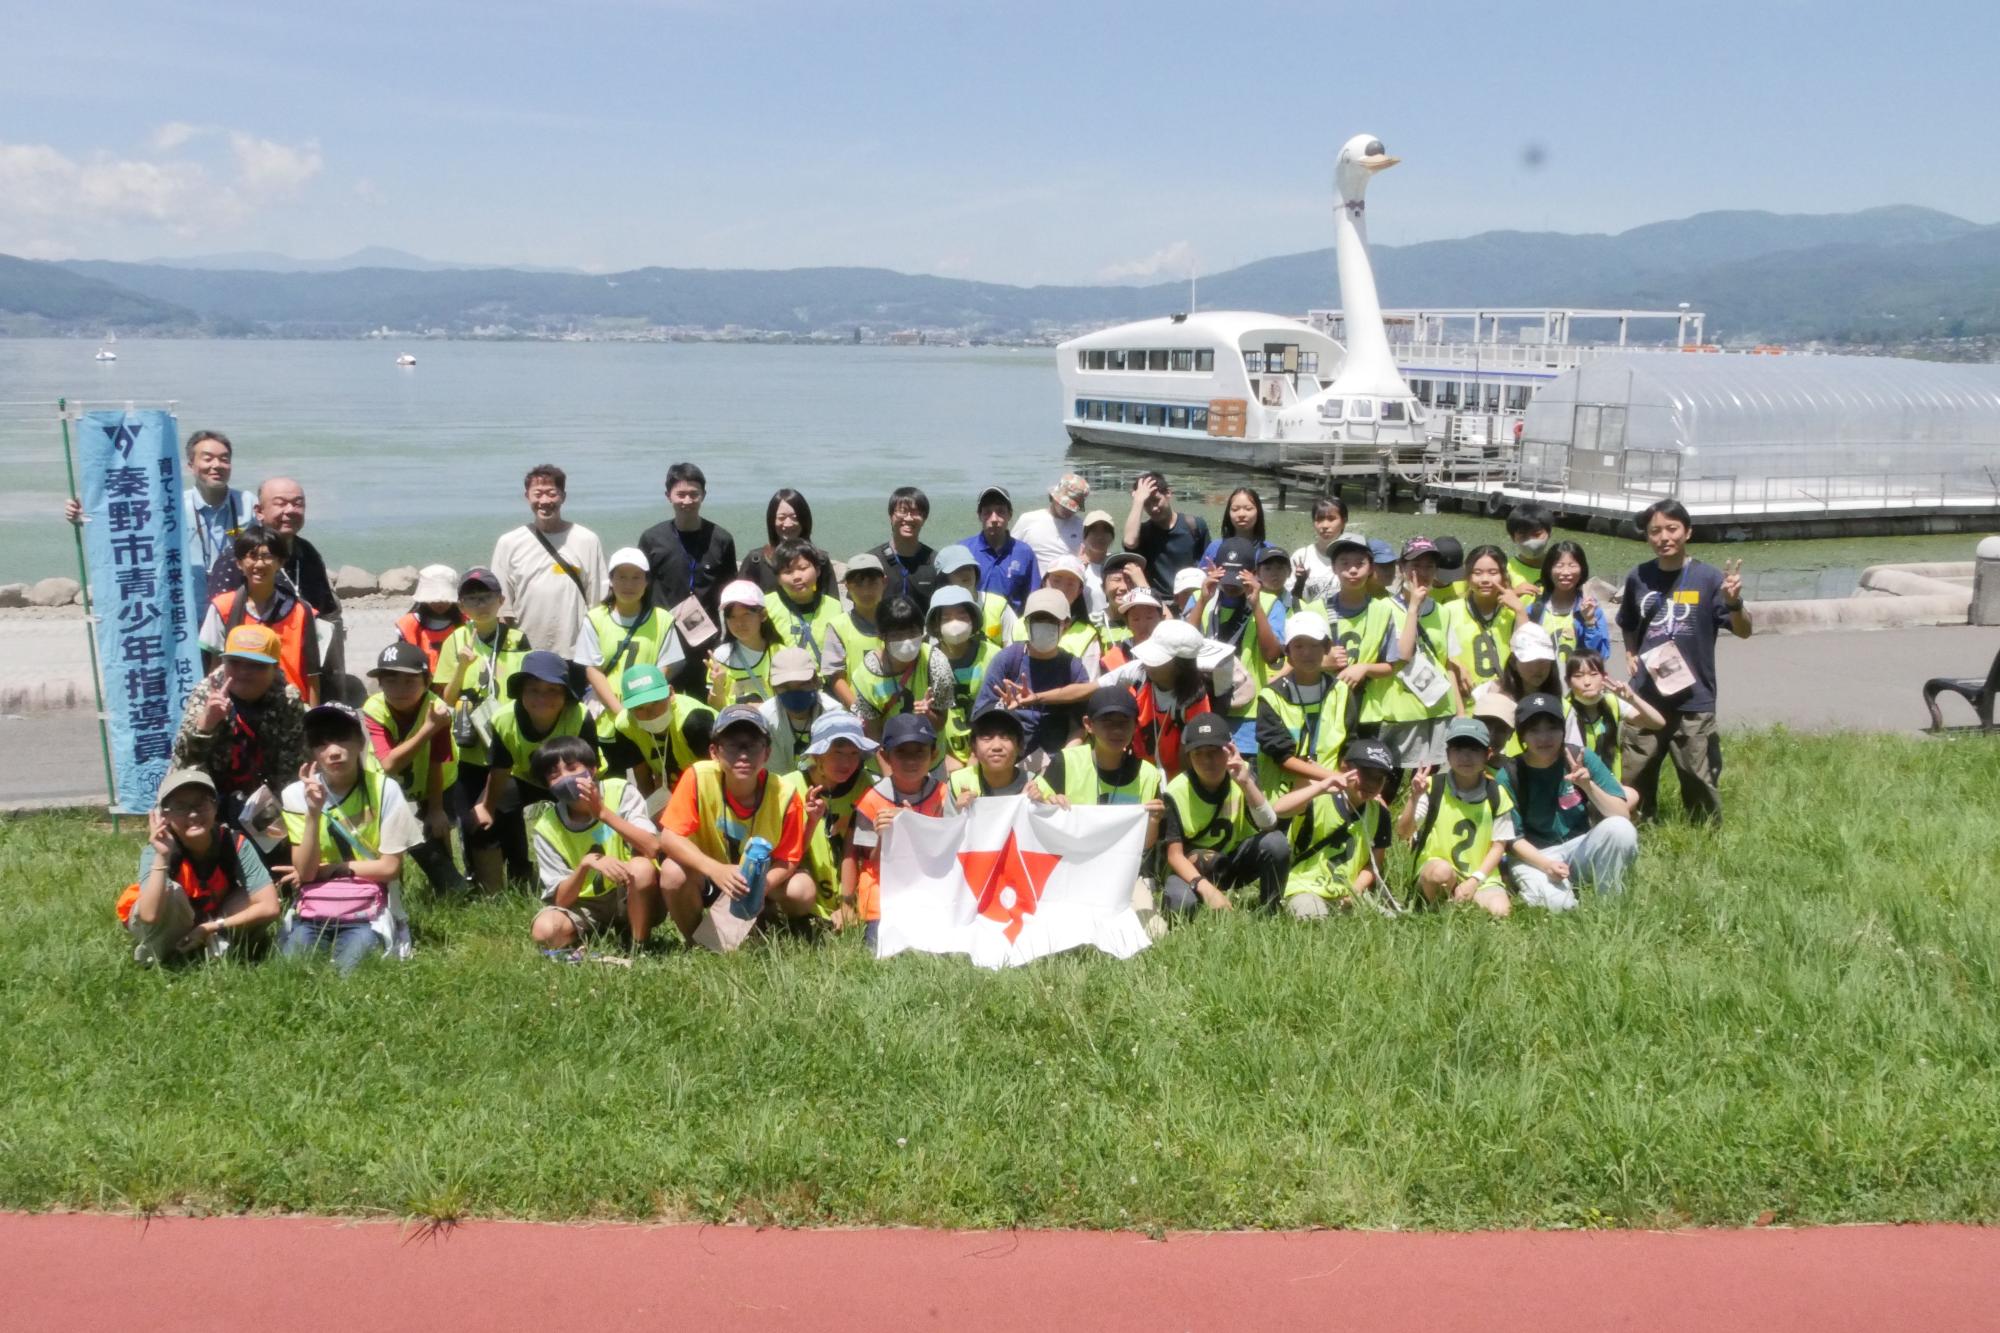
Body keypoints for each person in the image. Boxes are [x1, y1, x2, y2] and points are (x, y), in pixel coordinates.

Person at [1617, 500, 1750, 824]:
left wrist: (1734, 603)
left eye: (1672, 529)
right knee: (1636, 771)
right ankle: (1635, 829)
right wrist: (1630, 651)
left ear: (1687, 531)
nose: (1664, 537)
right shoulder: (1639, 576)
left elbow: (1744, 630)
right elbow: (1628, 622)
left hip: (1695, 697)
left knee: (1697, 774)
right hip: (1645, 696)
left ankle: (1704, 836)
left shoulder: (1708, 578)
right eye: (1655, 531)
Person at [656, 704, 818, 944]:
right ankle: (697, 941)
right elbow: (669, 837)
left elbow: (788, 859)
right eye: (732, 745)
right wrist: (715, 870)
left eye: (753, 746)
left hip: (758, 881)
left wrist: (760, 887)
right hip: (710, 875)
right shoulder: (697, 777)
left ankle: (774, 919)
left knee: (802, 889)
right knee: (671, 873)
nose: (743, 755)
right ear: (714, 751)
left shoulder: (785, 794)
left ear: (767, 753)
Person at [281, 703, 419, 973]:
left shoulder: (385, 789)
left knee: (351, 973)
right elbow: (307, 873)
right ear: (312, 752)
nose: (334, 752)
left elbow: (390, 868)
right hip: (314, 908)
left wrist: (332, 869)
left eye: (342, 738)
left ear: (359, 742)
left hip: (368, 908)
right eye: (321, 743)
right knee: (291, 969)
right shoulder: (296, 794)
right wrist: (313, 812)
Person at [69, 428, 252, 611]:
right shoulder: (171, 507)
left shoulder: (248, 503)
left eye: (224, 459)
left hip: (237, 607)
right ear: (190, 465)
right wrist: (83, 515)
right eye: (207, 458)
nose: (217, 464)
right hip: (187, 611)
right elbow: (127, 528)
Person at [433, 567, 532, 888]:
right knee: (471, 818)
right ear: (461, 606)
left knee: (509, 815)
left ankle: (520, 879)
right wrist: (462, 666)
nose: (481, 604)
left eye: (487, 596)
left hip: (506, 742)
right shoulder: (455, 640)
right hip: (469, 744)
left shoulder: (517, 638)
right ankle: (478, 880)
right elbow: (446, 697)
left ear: (501, 600)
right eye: (472, 599)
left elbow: (526, 687)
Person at [121, 768, 280, 966]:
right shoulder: (156, 851)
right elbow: (149, 915)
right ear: (165, 815)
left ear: (215, 807)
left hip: (211, 918)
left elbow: (270, 907)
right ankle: (164, 954)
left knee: (253, 894)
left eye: (201, 804)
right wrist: (163, 856)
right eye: (181, 807)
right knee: (170, 892)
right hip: (170, 921)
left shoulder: (234, 842)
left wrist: (212, 926)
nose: (194, 813)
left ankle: (212, 944)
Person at [1499, 692, 1639, 912]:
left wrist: (1587, 785)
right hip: (1536, 854)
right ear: (1522, 736)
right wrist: (1546, 865)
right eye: (1534, 730)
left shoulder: (1581, 757)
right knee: (1560, 907)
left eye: (1552, 728)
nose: (1544, 738)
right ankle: (1556, 893)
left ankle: (1610, 904)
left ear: (1563, 730)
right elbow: (1512, 840)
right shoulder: (1509, 774)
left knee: (1621, 829)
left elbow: (1622, 814)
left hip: (1579, 846)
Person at [528, 734, 668, 951]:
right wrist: (586, 864)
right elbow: (561, 900)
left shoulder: (620, 790)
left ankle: (638, 944)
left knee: (641, 867)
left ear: (592, 770)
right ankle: (589, 932)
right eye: (554, 774)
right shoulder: (546, 828)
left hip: (632, 891)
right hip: (585, 904)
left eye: (572, 768)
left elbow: (652, 846)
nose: (565, 778)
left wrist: (602, 813)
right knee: (545, 930)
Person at [172, 623, 308, 842]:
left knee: (279, 841)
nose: (244, 672)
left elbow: (290, 766)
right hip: (210, 791)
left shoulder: (287, 699)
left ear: (274, 668)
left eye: (256, 665)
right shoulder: (208, 692)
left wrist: (285, 814)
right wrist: (205, 725)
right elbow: (185, 758)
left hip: (260, 795)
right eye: (235, 663)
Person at [845, 713, 961, 946]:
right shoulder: (872, 799)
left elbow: (950, 850)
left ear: (934, 755)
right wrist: (885, 837)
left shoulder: (944, 793)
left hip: (930, 884)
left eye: (919, 752)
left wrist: (913, 823)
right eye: (902, 752)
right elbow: (870, 860)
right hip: (884, 888)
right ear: (886, 757)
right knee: (882, 944)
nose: (911, 761)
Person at [359, 640, 466, 893]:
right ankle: (391, 891)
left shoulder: (438, 709)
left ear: (427, 681)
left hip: (434, 780)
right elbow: (388, 763)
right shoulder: (374, 708)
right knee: (388, 839)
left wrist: (436, 809)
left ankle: (450, 889)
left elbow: (436, 761)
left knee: (436, 831)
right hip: (387, 784)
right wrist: (428, 729)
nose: (400, 689)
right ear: (380, 683)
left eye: (410, 681)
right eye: (391, 681)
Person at [474, 650, 596, 866]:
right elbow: (500, 770)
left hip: (572, 780)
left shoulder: (580, 716)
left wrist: (592, 807)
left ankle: (585, 862)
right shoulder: (503, 719)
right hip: (525, 778)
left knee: (590, 817)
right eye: (534, 690)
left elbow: (591, 770)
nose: (542, 698)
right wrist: (487, 807)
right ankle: (506, 878)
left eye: (552, 690)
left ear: (566, 694)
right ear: (521, 692)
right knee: (480, 818)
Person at [1159, 714, 1288, 914]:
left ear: (1230, 749)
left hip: (1232, 861)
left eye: (1214, 751)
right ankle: (1202, 900)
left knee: (1276, 842)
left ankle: (1270, 910)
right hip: (1192, 868)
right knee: (1180, 903)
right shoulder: (1175, 791)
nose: (1207, 760)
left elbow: (1269, 825)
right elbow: (1174, 856)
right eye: (1198, 753)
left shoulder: (1242, 773)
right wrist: (1207, 889)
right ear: (1189, 756)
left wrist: (1246, 783)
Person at [1398, 716, 1517, 918]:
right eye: (1458, 749)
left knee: (1501, 911)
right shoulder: (1431, 786)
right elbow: (1403, 832)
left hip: (1480, 874)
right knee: (1440, 874)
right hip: (1436, 868)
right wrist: (1414, 798)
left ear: (1487, 754)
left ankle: (1460, 900)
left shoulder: (1497, 794)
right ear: (1447, 754)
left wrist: (1475, 880)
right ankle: (1439, 913)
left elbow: (1499, 845)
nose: (1465, 757)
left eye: (1474, 750)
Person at [490, 464, 608, 667]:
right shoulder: (509, 542)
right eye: (538, 494)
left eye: (551, 494)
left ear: (563, 496)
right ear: (527, 496)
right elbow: (502, 608)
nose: (544, 501)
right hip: (525, 652)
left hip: (575, 652)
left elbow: (597, 602)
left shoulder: (587, 540)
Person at [1359, 538, 1458, 771]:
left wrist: (1460, 714)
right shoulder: (1381, 609)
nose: (1422, 573)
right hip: (1397, 713)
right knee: (1388, 784)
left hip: (1438, 709)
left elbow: (1448, 666)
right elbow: (1403, 655)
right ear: (1401, 568)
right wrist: (1413, 607)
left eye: (1429, 567)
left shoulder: (1443, 612)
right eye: (1415, 566)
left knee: (1432, 782)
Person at [637, 462, 738, 692]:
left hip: (705, 641)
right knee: (662, 701)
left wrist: (732, 642)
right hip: (662, 637)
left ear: (704, 495)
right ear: (668, 496)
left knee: (703, 707)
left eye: (694, 494)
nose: (687, 501)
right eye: (680, 494)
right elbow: (639, 590)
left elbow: (730, 596)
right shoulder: (652, 539)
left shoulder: (721, 539)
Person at [1271, 737, 1396, 919]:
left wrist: (1355, 891)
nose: (1371, 783)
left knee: (1389, 921)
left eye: (1379, 779)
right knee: (1314, 918)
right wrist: (1321, 786)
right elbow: (1279, 810)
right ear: (1345, 768)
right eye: (1365, 774)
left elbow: (1373, 864)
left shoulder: (1380, 814)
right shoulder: (1318, 799)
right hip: (1305, 887)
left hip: (1347, 893)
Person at [199, 523, 321, 704]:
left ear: (280, 562)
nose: (259, 563)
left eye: (267, 556)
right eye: (252, 556)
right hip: (238, 711)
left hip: (290, 708)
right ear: (239, 563)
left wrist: (313, 721)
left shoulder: (301, 611)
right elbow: (215, 669)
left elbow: (312, 675)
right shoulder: (222, 608)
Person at [975, 587, 1091, 762]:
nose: (1044, 626)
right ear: (1026, 623)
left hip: (1056, 759)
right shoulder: (1007, 659)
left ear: (1066, 625)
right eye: (1037, 620)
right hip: (1007, 760)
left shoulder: (1073, 668)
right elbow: (981, 716)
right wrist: (1000, 710)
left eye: (1051, 620)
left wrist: (1062, 762)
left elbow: (1079, 726)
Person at [1191, 537, 1284, 754]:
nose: (1232, 586)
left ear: (1253, 573)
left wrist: (1256, 605)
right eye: (1226, 577)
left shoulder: (1269, 603)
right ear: (1214, 569)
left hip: (1247, 712)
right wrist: (1203, 601)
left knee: (1245, 776)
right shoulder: (1200, 598)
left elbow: (1272, 656)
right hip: (1203, 705)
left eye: (1239, 579)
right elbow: (1182, 644)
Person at [1041, 686, 1167, 845]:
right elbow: (1035, 805)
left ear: (1136, 725)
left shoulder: (1148, 774)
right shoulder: (1066, 761)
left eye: (1124, 722)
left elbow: (1146, 844)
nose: (1116, 730)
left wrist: (1154, 821)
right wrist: (1046, 802)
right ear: (1088, 724)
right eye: (1107, 722)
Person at [204, 477, 340, 623]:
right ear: (259, 511)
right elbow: (218, 617)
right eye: (280, 503)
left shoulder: (307, 552)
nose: (290, 510)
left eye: (298, 504)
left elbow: (327, 611)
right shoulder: (238, 555)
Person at [1254, 611, 1353, 797]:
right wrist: (1331, 778)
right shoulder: (1270, 696)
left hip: (1329, 799)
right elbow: (1281, 756)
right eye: (1298, 646)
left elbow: (1349, 745)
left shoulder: (1342, 691)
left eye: (1314, 645)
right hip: (1283, 799)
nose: (1307, 653)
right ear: (1287, 651)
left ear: (1326, 647)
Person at [596, 662, 715, 811]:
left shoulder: (695, 721)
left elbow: (719, 774)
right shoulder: (625, 726)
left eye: (656, 703)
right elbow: (642, 778)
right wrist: (654, 808)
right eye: (639, 708)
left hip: (709, 791)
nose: (651, 713)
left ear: (670, 693)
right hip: (673, 794)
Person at [798, 710, 878, 925]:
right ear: (817, 756)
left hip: (851, 889)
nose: (847, 762)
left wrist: (847, 903)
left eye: (854, 753)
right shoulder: (789, 786)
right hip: (804, 885)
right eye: (838, 753)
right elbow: (786, 855)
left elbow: (857, 847)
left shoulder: (864, 784)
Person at [576, 547, 680, 711]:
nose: (628, 585)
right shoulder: (595, 619)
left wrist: (643, 703)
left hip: (647, 712)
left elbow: (664, 667)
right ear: (611, 580)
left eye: (636, 578)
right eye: (622, 577)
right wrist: (619, 711)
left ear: (647, 581)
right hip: (603, 716)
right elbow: (593, 670)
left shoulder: (663, 620)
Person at [848, 595, 955, 741]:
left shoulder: (936, 663)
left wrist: (928, 714)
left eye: (912, 633)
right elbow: (873, 733)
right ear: (881, 636)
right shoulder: (866, 674)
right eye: (897, 635)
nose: (907, 642)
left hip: (928, 756)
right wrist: (890, 763)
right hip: (887, 753)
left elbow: (940, 723)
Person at [1441, 544, 1524, 704]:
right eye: (1477, 573)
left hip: (1506, 704)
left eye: (1493, 573)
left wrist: (1520, 611)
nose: (1485, 579)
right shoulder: (1449, 611)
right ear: (1467, 576)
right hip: (1464, 705)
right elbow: (1436, 652)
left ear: (1504, 576)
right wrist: (1455, 663)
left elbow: (1527, 651)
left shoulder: (1513, 612)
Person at [926, 586, 998, 769]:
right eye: (946, 617)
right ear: (935, 624)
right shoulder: (925, 659)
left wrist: (978, 754)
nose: (955, 623)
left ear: (974, 620)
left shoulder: (993, 655)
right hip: (941, 755)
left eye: (962, 615)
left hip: (987, 750)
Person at [1563, 652, 1663, 782]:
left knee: (1633, 796)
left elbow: (1657, 723)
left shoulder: (1612, 701)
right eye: (1578, 676)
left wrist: (1633, 700)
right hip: (1574, 784)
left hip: (1610, 784)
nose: (1587, 682)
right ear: (1568, 681)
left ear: (1604, 677)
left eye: (1594, 674)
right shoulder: (1563, 707)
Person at [1526, 540, 1612, 677]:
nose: (1566, 572)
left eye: (1572, 566)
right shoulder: (1535, 610)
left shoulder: (1591, 609)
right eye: (1559, 566)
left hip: (1577, 687)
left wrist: (1589, 622)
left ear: (1582, 569)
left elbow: (1599, 657)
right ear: (1549, 570)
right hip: (1543, 686)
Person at [1123, 471, 1211, 598]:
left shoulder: (1195, 525)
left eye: (1156, 500)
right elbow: (1129, 542)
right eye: (1146, 504)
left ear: (1168, 493)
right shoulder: (1142, 533)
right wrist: (1138, 501)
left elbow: (1206, 564)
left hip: (1191, 599)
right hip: (1158, 601)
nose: (1153, 508)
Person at [756, 647, 841, 777]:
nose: (794, 693)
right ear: (773, 687)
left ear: (815, 681)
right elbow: (777, 775)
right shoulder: (766, 717)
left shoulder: (833, 713)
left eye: (802, 684)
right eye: (784, 687)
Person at [739, 489, 837, 595]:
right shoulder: (755, 561)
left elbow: (832, 602)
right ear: (772, 520)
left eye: (794, 518)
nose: (788, 524)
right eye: (781, 518)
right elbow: (739, 602)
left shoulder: (820, 560)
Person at [762, 538, 843, 666]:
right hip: (781, 681)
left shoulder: (834, 607)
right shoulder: (766, 605)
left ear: (817, 571)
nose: (797, 577)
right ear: (778, 578)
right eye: (787, 572)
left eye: (803, 568)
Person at [959, 485, 1041, 612]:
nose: (994, 519)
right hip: (974, 624)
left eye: (1000, 511)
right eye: (987, 512)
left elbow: (1034, 597)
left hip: (1012, 627)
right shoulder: (963, 550)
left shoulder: (1024, 553)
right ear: (979, 515)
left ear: (1010, 514)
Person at [823, 553, 888, 707]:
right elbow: (835, 676)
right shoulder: (838, 626)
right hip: (858, 713)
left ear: (884, 582)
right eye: (858, 584)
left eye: (872, 582)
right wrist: (858, 710)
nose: (866, 591)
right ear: (847, 586)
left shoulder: (899, 621)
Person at [945, 703, 1046, 801]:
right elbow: (949, 817)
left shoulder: (1036, 785)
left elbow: (1053, 814)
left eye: (1005, 737)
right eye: (987, 737)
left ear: (1019, 745)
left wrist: (1043, 806)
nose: (997, 746)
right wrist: (961, 814)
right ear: (973, 747)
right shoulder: (958, 783)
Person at [707, 579, 782, 707]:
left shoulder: (780, 653)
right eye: (732, 617)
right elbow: (716, 707)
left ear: (763, 615)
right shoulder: (720, 657)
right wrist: (718, 685)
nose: (739, 623)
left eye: (746, 614)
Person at [869, 486, 941, 610]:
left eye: (916, 512)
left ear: (924, 519)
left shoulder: (935, 562)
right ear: (891, 516)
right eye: (902, 511)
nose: (908, 518)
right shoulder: (872, 560)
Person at [935, 543, 1017, 646]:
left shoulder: (998, 605)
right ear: (944, 579)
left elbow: (1014, 647)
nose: (966, 573)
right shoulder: (937, 610)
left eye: (969, 567)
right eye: (958, 570)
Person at [1010, 473, 1091, 569]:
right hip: (1035, 583)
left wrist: (1086, 559)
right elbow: (1009, 552)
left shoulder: (1082, 527)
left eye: (1073, 508)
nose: (1068, 510)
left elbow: (1090, 556)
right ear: (1054, 497)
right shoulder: (1028, 520)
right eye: (1064, 505)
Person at [396, 565, 465, 674]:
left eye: (445, 599)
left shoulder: (465, 621)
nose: (439, 603)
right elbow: (403, 660)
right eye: (433, 599)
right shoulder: (410, 624)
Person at [1289, 495, 1351, 608]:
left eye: (1331, 519)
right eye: (1319, 519)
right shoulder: (1301, 556)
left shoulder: (1354, 557)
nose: (1325, 526)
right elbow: (1288, 596)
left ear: (1344, 521)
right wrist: (1300, 581)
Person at [1201, 486, 1268, 561]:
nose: (1241, 514)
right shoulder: (1216, 547)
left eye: (1248, 509)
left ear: (1258, 512)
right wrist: (1209, 573)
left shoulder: (1268, 551)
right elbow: (1199, 572)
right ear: (1228, 513)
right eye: (1235, 509)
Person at [1504, 503, 1556, 595]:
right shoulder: (1505, 571)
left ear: (1549, 533)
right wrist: (1513, 594)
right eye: (1523, 535)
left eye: (1537, 534)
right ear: (1513, 538)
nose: (1531, 541)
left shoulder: (1560, 569)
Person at [1079, 508, 1119, 624]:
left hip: (1115, 629)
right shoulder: (1075, 566)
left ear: (1112, 536)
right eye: (1094, 531)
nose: (1100, 536)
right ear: (1084, 535)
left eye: (1105, 531)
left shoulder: (1119, 563)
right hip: (1085, 630)